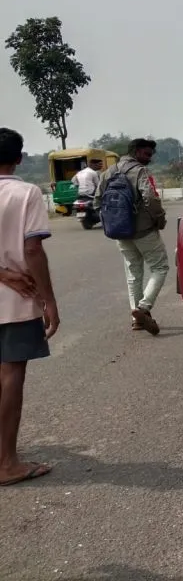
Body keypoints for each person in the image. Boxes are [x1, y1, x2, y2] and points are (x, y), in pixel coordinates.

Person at [0, 127, 59, 486]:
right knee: (10, 375)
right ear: (19, 158)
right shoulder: (26, 193)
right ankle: (7, 462)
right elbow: (33, 249)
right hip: (15, 303)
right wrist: (48, 299)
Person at [94, 138, 169, 334]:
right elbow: (151, 198)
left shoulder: (109, 172)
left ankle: (136, 319)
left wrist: (113, 220)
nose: (149, 159)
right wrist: (159, 218)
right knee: (160, 267)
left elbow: (97, 200)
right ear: (135, 151)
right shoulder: (140, 171)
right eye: (146, 154)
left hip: (119, 231)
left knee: (133, 274)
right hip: (143, 230)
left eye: (150, 155)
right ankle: (143, 308)